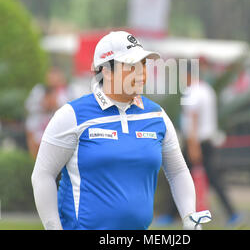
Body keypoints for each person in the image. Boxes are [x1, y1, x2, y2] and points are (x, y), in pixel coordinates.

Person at [31, 31, 211, 230]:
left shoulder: (156, 115)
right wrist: (53, 227)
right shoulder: (72, 115)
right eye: (132, 66)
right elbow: (43, 175)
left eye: (144, 64)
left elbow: (177, 171)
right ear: (106, 71)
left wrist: (190, 221)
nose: (142, 72)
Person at [180, 58, 242, 227]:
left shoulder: (192, 91)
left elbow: (193, 118)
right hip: (208, 140)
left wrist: (193, 146)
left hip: (196, 141)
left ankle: (172, 213)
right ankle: (232, 213)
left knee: (179, 176)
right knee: (213, 179)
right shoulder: (207, 90)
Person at [25, 67, 71, 158]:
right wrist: (43, 105)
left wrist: (56, 105)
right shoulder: (39, 89)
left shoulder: (67, 91)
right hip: (40, 126)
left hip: (59, 128)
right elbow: (29, 106)